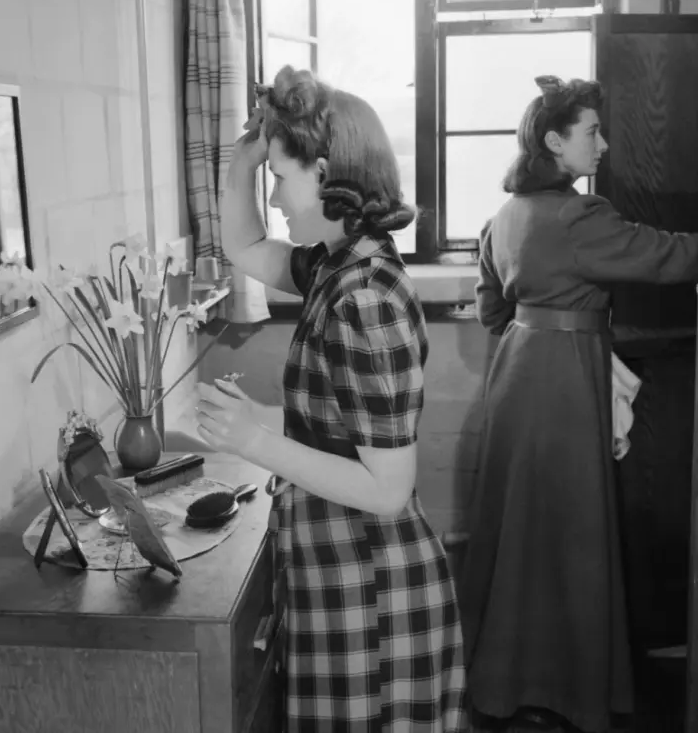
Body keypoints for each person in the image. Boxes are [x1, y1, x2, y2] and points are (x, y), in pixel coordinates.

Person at [195, 65, 468, 732]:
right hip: (337, 575)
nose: (278, 196)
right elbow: (244, 244)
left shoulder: (365, 297)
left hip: (371, 593)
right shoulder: (334, 264)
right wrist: (244, 159)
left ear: (326, 174)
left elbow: (386, 489)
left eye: (283, 178)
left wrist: (258, 441)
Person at [458, 75, 698, 733]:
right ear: (555, 140)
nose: (606, 143)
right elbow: (667, 257)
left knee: (522, 529)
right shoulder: (578, 215)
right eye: (593, 132)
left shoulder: (501, 217)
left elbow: (490, 311)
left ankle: (507, 685)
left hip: (517, 376)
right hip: (564, 378)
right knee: (569, 532)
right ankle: (561, 691)